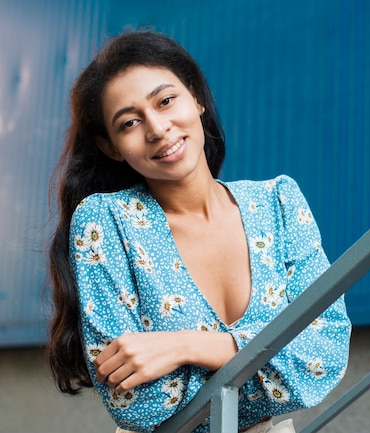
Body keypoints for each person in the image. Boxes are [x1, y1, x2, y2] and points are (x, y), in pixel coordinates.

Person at [47, 30, 351, 433]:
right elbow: (137, 403)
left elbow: (325, 355)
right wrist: (270, 363)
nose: (157, 128)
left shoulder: (278, 203)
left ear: (197, 98)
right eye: (130, 122)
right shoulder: (107, 223)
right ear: (110, 146)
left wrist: (183, 347)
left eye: (166, 100)